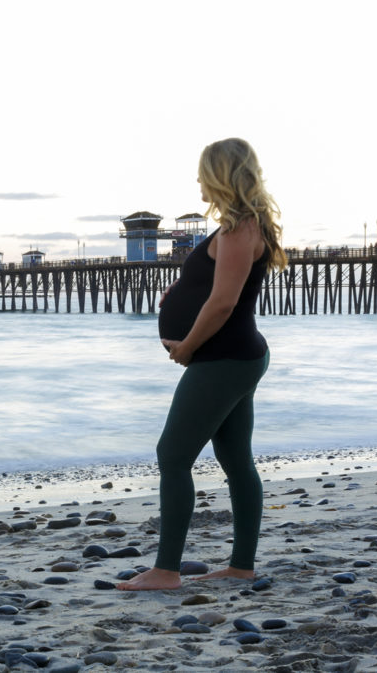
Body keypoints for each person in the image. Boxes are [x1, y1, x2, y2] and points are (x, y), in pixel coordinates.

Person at [117, 138, 287, 591]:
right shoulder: (244, 227)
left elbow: (223, 303)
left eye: (202, 172)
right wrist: (179, 291)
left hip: (223, 357)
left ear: (220, 174)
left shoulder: (238, 230)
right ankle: (241, 566)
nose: (197, 181)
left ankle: (166, 570)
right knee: (235, 460)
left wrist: (188, 346)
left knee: (172, 456)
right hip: (236, 355)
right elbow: (214, 285)